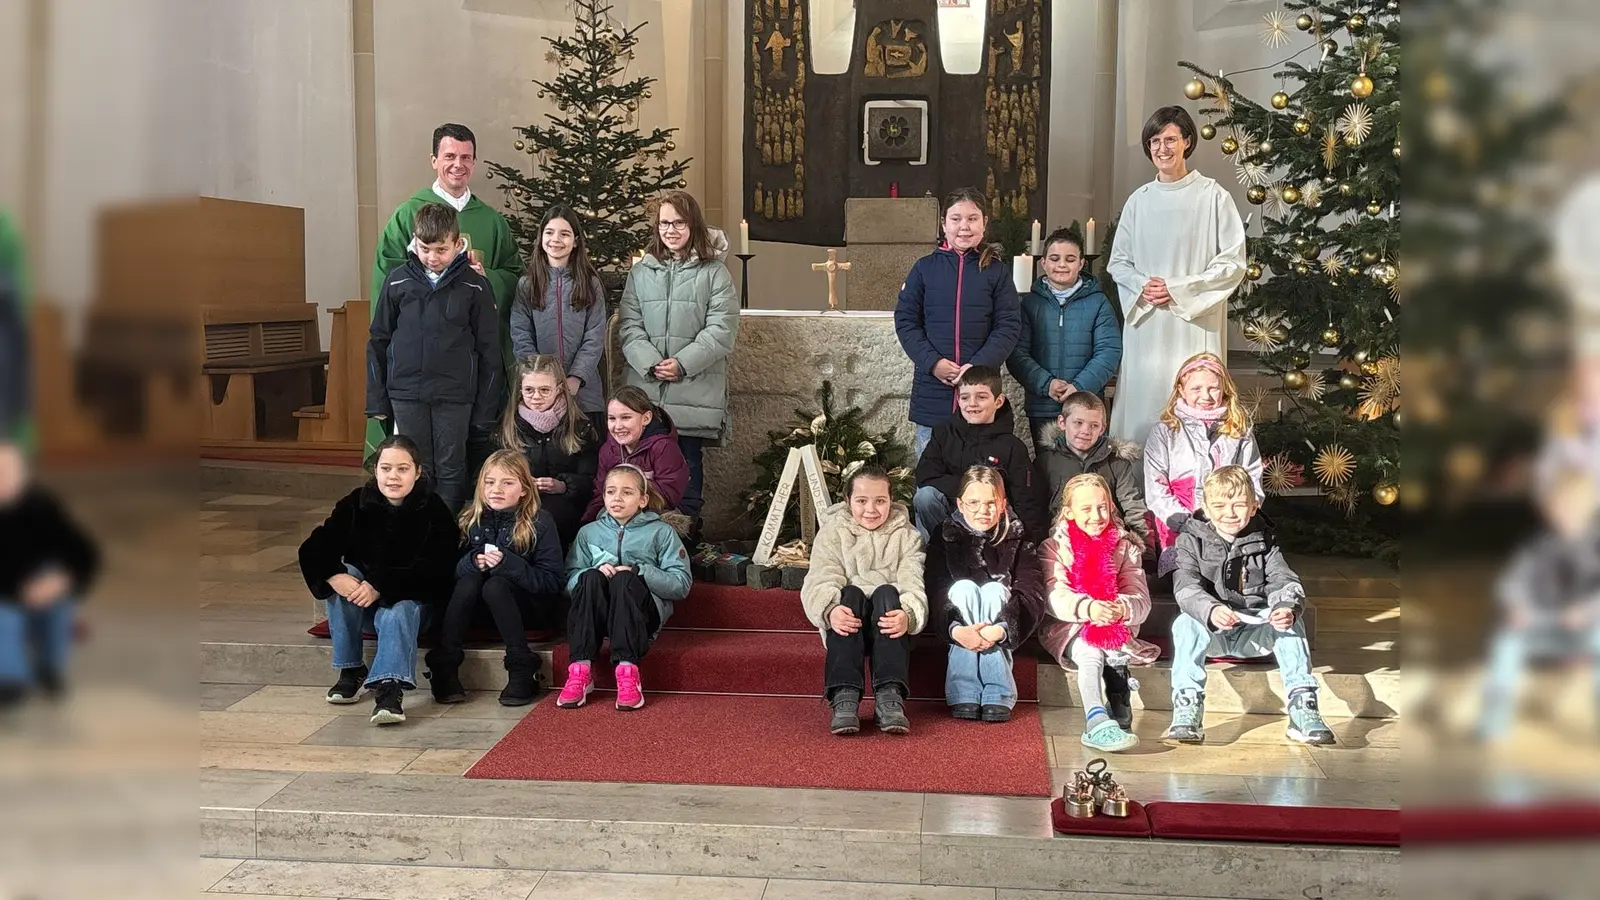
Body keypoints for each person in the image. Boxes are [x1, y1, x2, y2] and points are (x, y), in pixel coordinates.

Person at [367, 124, 524, 461]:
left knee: (460, 458)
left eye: (466, 157)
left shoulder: (493, 221)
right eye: (450, 156)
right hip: (415, 370)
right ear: (434, 160)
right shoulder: (408, 214)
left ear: (474, 162)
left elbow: (516, 276)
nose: (458, 164)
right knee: (418, 458)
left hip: (464, 369)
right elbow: (387, 278)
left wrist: (488, 278)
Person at [1106, 106, 1248, 444]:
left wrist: (1177, 289)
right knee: (1144, 407)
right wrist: (1145, 287)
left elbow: (1232, 264)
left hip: (1194, 322)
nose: (1162, 148)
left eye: (1170, 139)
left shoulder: (1213, 196)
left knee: (1194, 399)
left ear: (1187, 141)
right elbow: (1118, 262)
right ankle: (1138, 475)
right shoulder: (1139, 201)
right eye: (1154, 141)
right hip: (1148, 322)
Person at [298, 436, 459, 725]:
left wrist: (380, 586)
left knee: (398, 610)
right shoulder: (357, 502)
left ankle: (389, 688)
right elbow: (314, 547)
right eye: (386, 468)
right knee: (345, 575)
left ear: (417, 472)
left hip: (414, 609)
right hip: (364, 608)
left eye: (402, 469)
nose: (393, 476)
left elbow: (437, 570)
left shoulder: (433, 509)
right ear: (376, 470)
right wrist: (334, 575)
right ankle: (351, 668)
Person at [1167, 466, 1333, 746]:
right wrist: (1211, 610)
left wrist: (1286, 607)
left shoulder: (1265, 541)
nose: (1230, 513)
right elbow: (1185, 588)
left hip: (1253, 631)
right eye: (1219, 505)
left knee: (1292, 621)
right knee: (1185, 622)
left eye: (1239, 504)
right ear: (1205, 507)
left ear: (1254, 506)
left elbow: (1284, 580)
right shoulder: (1189, 541)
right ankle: (1187, 703)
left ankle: (1302, 704)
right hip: (1213, 633)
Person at [367, 202, 503, 512]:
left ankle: (447, 532)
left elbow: (489, 351)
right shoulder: (397, 281)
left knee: (452, 467)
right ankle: (418, 532)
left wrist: (486, 410)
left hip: (455, 395)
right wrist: (377, 400)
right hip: (406, 394)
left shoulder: (475, 285)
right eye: (425, 248)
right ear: (415, 241)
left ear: (457, 243)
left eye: (441, 249)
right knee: (415, 466)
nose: (432, 257)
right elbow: (378, 340)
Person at [617, 190, 738, 523]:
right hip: (647, 388)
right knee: (642, 469)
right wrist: (650, 362)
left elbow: (722, 328)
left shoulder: (714, 273)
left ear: (693, 225)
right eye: (664, 223)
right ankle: (641, 534)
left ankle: (687, 535)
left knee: (687, 467)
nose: (670, 230)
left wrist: (683, 364)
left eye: (679, 223)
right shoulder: (642, 272)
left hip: (692, 387)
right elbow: (629, 324)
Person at [425, 451, 565, 708]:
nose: (496, 489)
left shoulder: (541, 522)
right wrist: (471, 562)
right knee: (469, 580)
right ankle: (445, 663)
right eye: (489, 482)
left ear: (524, 489)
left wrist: (509, 564)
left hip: (525, 611)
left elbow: (551, 583)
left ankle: (521, 665)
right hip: (475, 612)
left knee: (496, 584)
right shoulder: (469, 517)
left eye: (507, 482)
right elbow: (448, 574)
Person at [894, 187, 1022, 459]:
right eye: (956, 219)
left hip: (979, 390)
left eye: (972, 219)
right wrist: (933, 363)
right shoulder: (924, 268)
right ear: (944, 224)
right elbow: (906, 321)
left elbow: (1008, 325)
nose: (964, 226)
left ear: (984, 223)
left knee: (981, 473)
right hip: (933, 391)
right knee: (932, 470)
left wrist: (978, 366)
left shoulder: (997, 272)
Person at [800, 466, 927, 736]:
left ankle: (889, 695)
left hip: (890, 626)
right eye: (861, 501)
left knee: (887, 592)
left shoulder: (907, 535)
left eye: (880, 500)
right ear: (848, 501)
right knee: (849, 594)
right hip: (850, 624)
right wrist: (829, 610)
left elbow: (913, 581)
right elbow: (820, 579)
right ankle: (844, 695)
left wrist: (909, 614)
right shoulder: (832, 533)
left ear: (891, 501)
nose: (871, 509)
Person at [1478, 466, 1600, 742]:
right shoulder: (1537, 545)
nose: (1565, 514)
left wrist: (1588, 610)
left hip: (1588, 628)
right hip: (1542, 623)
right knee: (1506, 642)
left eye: (1573, 507)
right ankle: (1494, 720)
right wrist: (1516, 605)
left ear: (1589, 507)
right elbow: (1510, 581)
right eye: (1559, 507)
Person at [1038, 474, 1157, 752]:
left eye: (1103, 507)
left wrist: (1121, 608)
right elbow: (1054, 595)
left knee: (1112, 647)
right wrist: (1088, 607)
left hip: (1115, 625)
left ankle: (1119, 701)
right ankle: (1095, 720)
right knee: (1091, 650)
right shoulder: (1054, 547)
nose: (1097, 516)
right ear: (1069, 512)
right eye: (1087, 509)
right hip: (1069, 628)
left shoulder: (1126, 547)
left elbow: (1141, 598)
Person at [559, 464, 692, 710]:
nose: (617, 498)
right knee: (590, 576)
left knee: (624, 579)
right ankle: (580, 670)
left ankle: (628, 670)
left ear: (643, 500)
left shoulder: (661, 532)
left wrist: (639, 571)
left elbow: (681, 585)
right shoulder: (588, 533)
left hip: (641, 616)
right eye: (610, 491)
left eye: (627, 492)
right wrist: (592, 572)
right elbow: (568, 583)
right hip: (599, 615)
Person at [925, 466, 1045, 722]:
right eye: (973, 502)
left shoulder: (1018, 535)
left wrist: (1001, 629)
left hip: (999, 618)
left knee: (993, 590)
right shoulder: (944, 535)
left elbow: (1031, 588)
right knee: (964, 588)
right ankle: (964, 689)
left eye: (991, 503)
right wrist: (956, 630)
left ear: (1003, 504)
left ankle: (997, 691)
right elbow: (935, 587)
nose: (983, 510)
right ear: (960, 504)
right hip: (959, 621)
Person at [1144, 352, 1262, 574]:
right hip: (1179, 529)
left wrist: (1238, 514)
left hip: (1229, 525)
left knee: (1235, 579)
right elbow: (1156, 491)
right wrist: (1189, 523)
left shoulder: (1239, 431)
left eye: (1213, 388)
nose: (1205, 396)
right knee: (1187, 579)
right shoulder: (1165, 432)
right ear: (1181, 390)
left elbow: (1252, 478)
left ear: (1224, 389)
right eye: (1196, 388)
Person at [1008, 227, 1121, 454]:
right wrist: (1046, 384)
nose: (1062, 265)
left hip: (1085, 407)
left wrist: (1079, 387)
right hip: (1043, 406)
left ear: (1081, 264)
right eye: (1054, 258)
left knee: (1086, 467)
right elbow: (1017, 352)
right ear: (1043, 263)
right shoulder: (1029, 304)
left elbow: (1108, 351)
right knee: (1047, 466)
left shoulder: (1098, 303)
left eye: (1070, 259)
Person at [0, 442, 97, 706]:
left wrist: (60, 581)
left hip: (36, 591)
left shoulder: (41, 506)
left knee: (58, 593)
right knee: (4, 618)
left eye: (9, 473)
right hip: (5, 598)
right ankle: (11, 680)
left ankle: (49, 668)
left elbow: (83, 554)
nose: (3, 481)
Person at [913, 365, 1048, 542]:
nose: (972, 403)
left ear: (998, 401)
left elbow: (1026, 499)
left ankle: (996, 549)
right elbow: (925, 475)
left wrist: (1033, 544)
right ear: (958, 400)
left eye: (981, 397)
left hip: (992, 515)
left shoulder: (1012, 446)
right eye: (965, 397)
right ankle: (939, 546)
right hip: (954, 507)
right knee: (925, 496)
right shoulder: (943, 433)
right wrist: (970, 491)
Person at [509, 205, 610, 436]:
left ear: (575, 242)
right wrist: (539, 380)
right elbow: (521, 334)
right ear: (541, 238)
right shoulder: (527, 284)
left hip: (584, 393)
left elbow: (595, 336)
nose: (556, 239)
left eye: (564, 234)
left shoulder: (590, 284)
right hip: (540, 396)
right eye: (550, 232)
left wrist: (576, 378)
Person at [497, 355, 599, 548]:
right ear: (520, 390)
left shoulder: (580, 428)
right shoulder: (507, 426)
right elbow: (491, 474)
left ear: (559, 389)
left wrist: (564, 485)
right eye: (529, 390)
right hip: (517, 503)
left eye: (544, 390)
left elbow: (593, 479)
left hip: (565, 508)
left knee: (548, 517)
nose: (536, 397)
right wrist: (518, 484)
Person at [1036, 391, 1150, 547]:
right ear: (1062, 422)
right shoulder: (1046, 462)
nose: (1086, 431)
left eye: (1094, 425)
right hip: (1061, 544)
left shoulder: (1116, 463)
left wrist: (1145, 551)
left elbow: (1134, 507)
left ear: (1102, 429)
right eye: (1078, 423)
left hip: (1110, 542)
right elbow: (1036, 510)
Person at [582, 386, 690, 522]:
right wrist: (588, 523)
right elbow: (600, 492)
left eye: (626, 417)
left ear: (646, 418)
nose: (618, 426)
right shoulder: (608, 450)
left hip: (658, 511)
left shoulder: (663, 447)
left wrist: (629, 490)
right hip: (617, 510)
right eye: (612, 418)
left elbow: (669, 495)